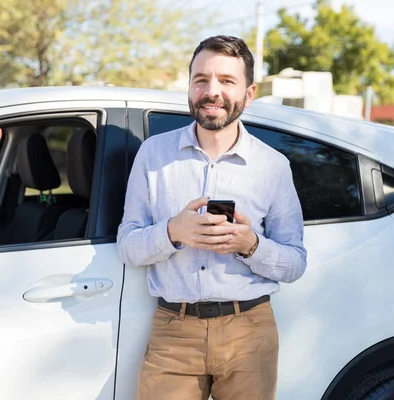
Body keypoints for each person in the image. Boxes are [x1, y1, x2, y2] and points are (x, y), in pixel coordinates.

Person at [117, 35, 307, 400]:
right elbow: (128, 246)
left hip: (250, 330)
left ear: (248, 94)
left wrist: (250, 245)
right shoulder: (153, 154)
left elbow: (295, 263)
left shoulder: (273, 166)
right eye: (201, 79)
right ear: (189, 86)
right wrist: (174, 232)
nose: (211, 91)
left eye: (226, 80)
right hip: (174, 331)